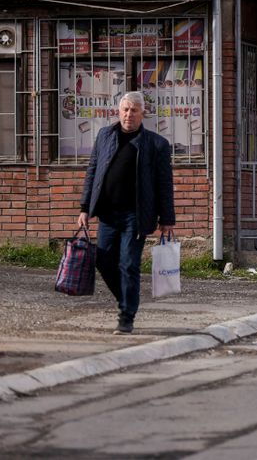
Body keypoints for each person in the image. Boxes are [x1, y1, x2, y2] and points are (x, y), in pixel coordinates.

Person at [77, 91, 176, 335]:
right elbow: (93, 172)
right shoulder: (105, 136)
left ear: (143, 113)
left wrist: (167, 219)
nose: (128, 114)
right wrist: (84, 208)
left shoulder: (156, 144)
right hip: (108, 214)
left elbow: (164, 183)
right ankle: (127, 298)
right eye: (125, 109)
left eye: (134, 110)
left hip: (136, 215)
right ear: (118, 111)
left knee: (129, 264)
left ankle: (126, 316)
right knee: (103, 261)